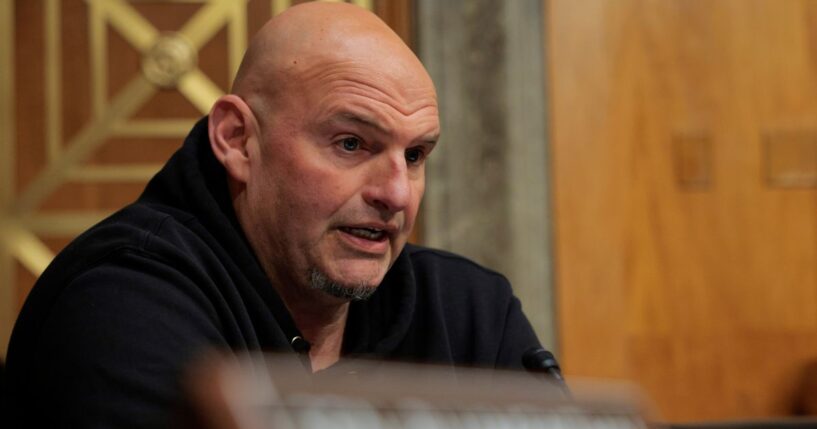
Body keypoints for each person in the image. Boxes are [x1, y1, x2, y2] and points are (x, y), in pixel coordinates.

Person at [3, 2, 545, 427]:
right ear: (238, 139)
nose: (397, 194)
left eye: (415, 155)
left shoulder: (471, 311)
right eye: (352, 143)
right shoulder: (124, 303)